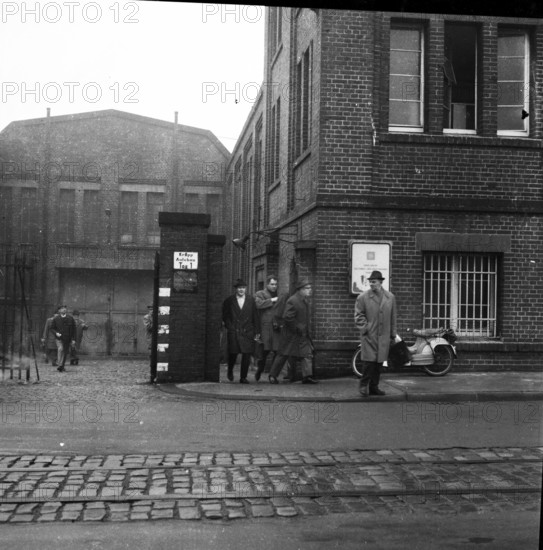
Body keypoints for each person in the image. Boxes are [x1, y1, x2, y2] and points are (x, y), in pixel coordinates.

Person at [354, 270, 397, 397]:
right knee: (369, 362)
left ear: (381, 282)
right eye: (370, 282)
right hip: (369, 335)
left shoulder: (390, 297)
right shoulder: (363, 297)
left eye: (374, 282)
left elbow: (393, 317)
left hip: (384, 336)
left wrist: (393, 334)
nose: (371, 284)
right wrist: (365, 329)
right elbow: (358, 315)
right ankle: (363, 385)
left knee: (379, 363)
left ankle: (374, 387)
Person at [268, 278, 318, 385]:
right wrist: (297, 327)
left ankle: (307, 376)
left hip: (302, 334)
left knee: (307, 354)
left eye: (310, 288)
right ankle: (272, 375)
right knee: (283, 354)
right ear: (300, 289)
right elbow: (288, 317)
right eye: (307, 288)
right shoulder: (293, 300)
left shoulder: (304, 300)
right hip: (290, 334)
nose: (310, 290)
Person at [222, 279, 260, 384]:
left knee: (246, 354)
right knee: (233, 353)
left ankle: (243, 377)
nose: (241, 290)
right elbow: (225, 316)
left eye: (243, 288)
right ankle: (230, 370)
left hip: (247, 331)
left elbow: (255, 316)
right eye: (239, 288)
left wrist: (257, 331)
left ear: (246, 288)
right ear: (236, 289)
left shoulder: (251, 300)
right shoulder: (229, 301)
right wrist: (230, 327)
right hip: (234, 331)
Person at [254, 275, 285, 381]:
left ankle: (272, 375)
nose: (274, 286)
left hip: (276, 328)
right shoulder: (260, 294)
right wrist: (272, 300)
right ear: (267, 284)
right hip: (265, 328)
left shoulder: (280, 295)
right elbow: (258, 305)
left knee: (277, 352)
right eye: (272, 284)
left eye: (276, 284)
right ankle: (260, 369)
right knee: (263, 352)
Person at [50, 305, 76, 372]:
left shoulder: (70, 318)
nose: (64, 309)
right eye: (62, 309)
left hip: (67, 338)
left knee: (65, 352)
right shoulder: (56, 319)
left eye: (65, 308)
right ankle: (60, 365)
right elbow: (52, 328)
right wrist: (56, 333)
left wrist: (73, 339)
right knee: (60, 349)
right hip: (59, 338)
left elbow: (74, 330)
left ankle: (62, 366)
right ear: (59, 311)